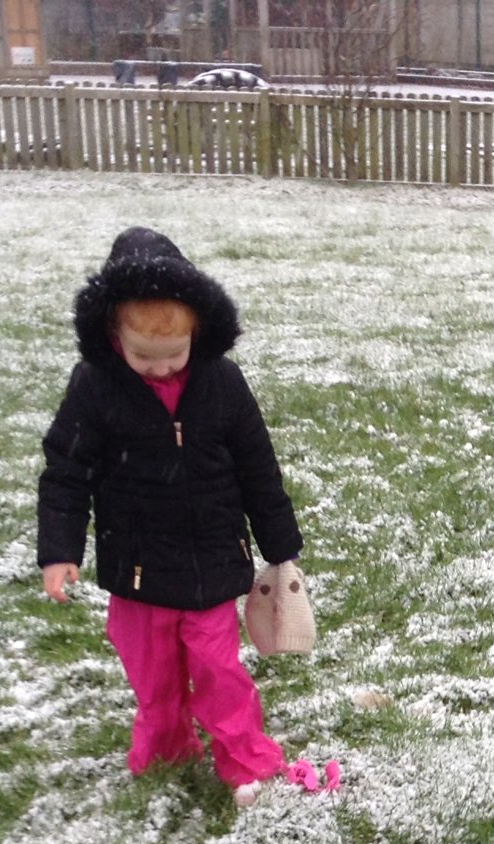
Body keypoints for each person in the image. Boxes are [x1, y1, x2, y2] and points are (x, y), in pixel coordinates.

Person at [38, 228, 311, 805]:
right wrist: (59, 550)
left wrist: (279, 540)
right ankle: (165, 746)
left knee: (219, 670)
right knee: (153, 673)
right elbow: (66, 472)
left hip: (210, 562)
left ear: (199, 332)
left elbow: (257, 465)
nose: (160, 370)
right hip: (134, 567)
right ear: (113, 333)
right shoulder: (95, 387)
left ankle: (244, 756)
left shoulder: (222, 383)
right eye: (143, 357)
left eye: (174, 355)